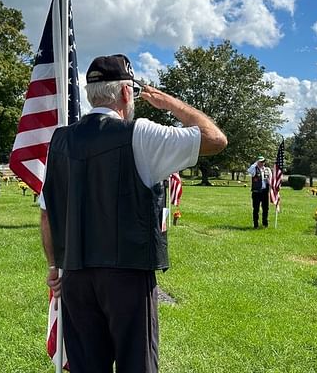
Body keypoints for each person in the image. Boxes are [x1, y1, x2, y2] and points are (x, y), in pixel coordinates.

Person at [39, 54, 227, 372]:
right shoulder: (139, 134)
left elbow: (47, 214)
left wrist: (55, 266)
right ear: (127, 93)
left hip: (75, 274)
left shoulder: (60, 140)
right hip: (126, 273)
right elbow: (215, 139)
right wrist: (171, 104)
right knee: (136, 364)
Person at [247, 156, 272, 228]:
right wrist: (255, 163)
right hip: (256, 192)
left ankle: (265, 223)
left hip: (265, 192)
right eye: (260, 161)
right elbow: (249, 171)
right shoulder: (254, 169)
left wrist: (269, 182)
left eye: (263, 161)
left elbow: (271, 180)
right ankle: (256, 225)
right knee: (256, 209)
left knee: (265, 208)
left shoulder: (267, 169)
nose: (262, 163)